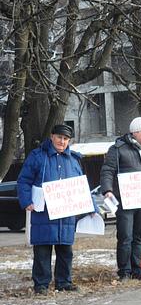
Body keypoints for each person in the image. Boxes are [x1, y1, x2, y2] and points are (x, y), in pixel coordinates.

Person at [17, 124, 97, 295]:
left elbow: (82, 186)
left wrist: (92, 206)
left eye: (66, 139)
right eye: (59, 137)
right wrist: (26, 201)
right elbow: (24, 180)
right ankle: (41, 285)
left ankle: (64, 282)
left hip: (66, 215)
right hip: (43, 213)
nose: (62, 141)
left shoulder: (73, 160)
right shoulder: (38, 156)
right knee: (42, 250)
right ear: (52, 136)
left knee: (65, 250)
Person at [100, 117, 141, 281]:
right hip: (125, 200)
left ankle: (137, 269)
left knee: (138, 236)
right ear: (134, 132)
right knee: (125, 236)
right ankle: (124, 271)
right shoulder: (118, 148)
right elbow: (107, 170)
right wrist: (107, 190)